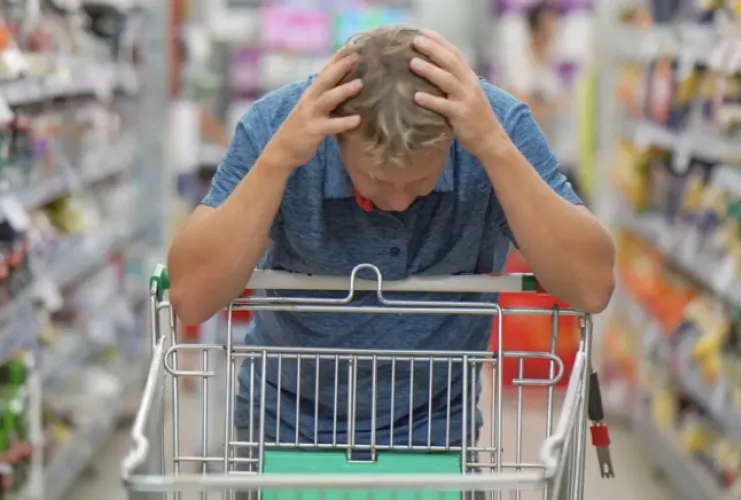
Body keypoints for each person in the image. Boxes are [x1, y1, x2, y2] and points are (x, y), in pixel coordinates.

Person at [167, 26, 615, 496]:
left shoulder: (493, 125)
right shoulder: (282, 125)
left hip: (438, 440)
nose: (399, 201)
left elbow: (591, 286)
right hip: (281, 433)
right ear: (337, 138)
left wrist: (495, 148)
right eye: (377, 179)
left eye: (420, 182)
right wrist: (277, 162)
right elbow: (192, 297)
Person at [504, 2, 563, 137]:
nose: (555, 28)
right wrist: (548, 107)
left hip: (548, 133)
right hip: (524, 136)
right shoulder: (520, 60)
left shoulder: (552, 58)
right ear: (537, 29)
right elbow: (520, 102)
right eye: (550, 23)